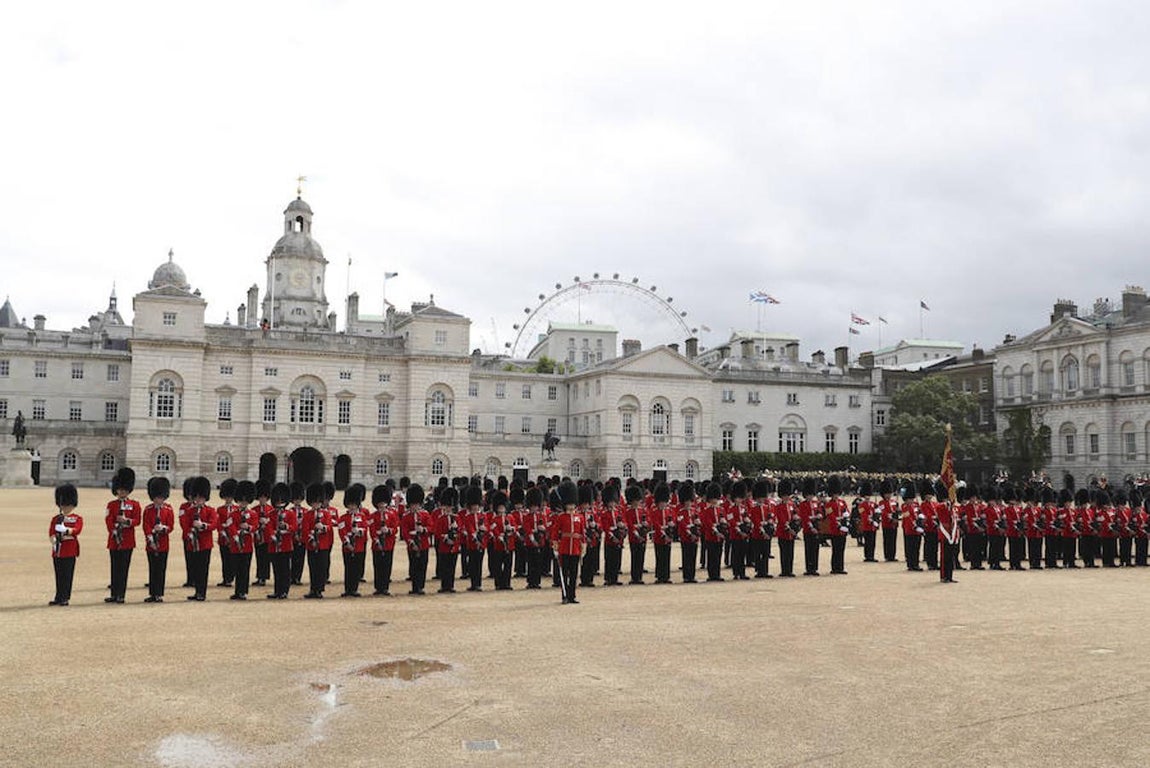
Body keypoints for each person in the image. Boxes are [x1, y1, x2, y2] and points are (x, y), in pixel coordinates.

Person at [105, 467, 141, 603]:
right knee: (114, 567)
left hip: (127, 540)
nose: (122, 492)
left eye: (125, 490)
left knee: (123, 568)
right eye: (120, 490)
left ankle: (121, 595)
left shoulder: (134, 505)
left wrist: (127, 521)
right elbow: (108, 520)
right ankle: (114, 593)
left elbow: (137, 521)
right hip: (114, 539)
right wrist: (114, 529)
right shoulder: (111, 505)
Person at [179, 476, 216, 601]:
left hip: (205, 544)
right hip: (192, 543)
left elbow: (213, 524)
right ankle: (197, 592)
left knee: (203, 569)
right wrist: (190, 531)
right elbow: (185, 524)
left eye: (201, 497)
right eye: (197, 497)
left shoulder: (210, 510)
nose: (199, 500)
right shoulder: (189, 511)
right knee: (195, 567)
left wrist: (203, 526)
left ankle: (202, 593)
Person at [550, 480, 585, 604]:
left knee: (574, 574)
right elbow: (555, 533)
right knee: (564, 573)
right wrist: (555, 546)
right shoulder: (561, 517)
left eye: (572, 504)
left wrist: (583, 545)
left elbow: (582, 533)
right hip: (564, 547)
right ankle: (564, 595)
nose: (571, 506)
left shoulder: (580, 517)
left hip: (575, 548)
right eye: (569, 504)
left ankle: (572, 596)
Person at [49, 484, 83, 606]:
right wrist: (54, 541)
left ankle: (65, 597)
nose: (65, 507)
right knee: (59, 575)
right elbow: (51, 532)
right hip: (58, 551)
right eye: (63, 505)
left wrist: (66, 530)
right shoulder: (56, 519)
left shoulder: (77, 518)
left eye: (68, 505)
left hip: (70, 550)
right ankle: (59, 596)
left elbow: (77, 530)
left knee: (67, 575)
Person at [142, 476, 174, 602]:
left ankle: (159, 593)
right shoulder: (148, 509)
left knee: (161, 568)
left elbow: (171, 526)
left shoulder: (168, 509)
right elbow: (146, 525)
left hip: (163, 543)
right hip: (151, 544)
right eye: (156, 498)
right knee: (152, 568)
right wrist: (150, 537)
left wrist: (163, 528)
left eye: (161, 498)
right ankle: (152, 593)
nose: (158, 500)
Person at [225, 480, 258, 600]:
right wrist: (236, 535)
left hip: (247, 545)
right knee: (237, 568)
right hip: (235, 544)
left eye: (245, 501)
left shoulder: (253, 513)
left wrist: (248, 528)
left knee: (245, 569)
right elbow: (230, 525)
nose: (243, 503)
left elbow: (255, 527)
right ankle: (237, 591)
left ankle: (243, 591)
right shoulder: (233, 513)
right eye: (241, 500)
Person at [266, 482, 298, 599]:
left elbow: (294, 527)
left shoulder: (290, 514)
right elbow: (269, 528)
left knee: (285, 570)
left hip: (285, 545)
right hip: (274, 545)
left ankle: (284, 591)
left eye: (281, 500)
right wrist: (273, 535)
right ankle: (277, 591)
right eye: (277, 500)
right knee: (276, 570)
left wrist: (285, 527)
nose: (279, 502)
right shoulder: (271, 514)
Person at [302, 482, 334, 598]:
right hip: (312, 545)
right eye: (314, 502)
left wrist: (323, 528)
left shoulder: (326, 514)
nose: (315, 504)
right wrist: (312, 537)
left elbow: (329, 527)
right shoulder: (307, 515)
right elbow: (305, 530)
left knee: (321, 567)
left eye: (317, 502)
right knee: (313, 567)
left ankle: (319, 589)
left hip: (323, 545)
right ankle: (313, 589)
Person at [337, 484, 368, 597]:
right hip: (347, 547)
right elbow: (341, 531)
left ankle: (354, 588)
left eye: (354, 505)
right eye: (350, 505)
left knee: (356, 568)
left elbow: (365, 529)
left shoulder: (362, 516)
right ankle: (348, 589)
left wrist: (358, 531)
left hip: (358, 546)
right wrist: (347, 543)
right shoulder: (343, 518)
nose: (352, 507)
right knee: (348, 568)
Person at [401, 484, 433, 595]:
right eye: (413, 505)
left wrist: (423, 529)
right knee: (414, 566)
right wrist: (410, 542)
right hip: (412, 545)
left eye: (416, 504)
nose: (414, 507)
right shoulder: (406, 516)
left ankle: (420, 586)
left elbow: (430, 527)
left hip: (423, 544)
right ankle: (415, 586)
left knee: (422, 565)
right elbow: (404, 532)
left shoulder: (425, 515)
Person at [368, 484, 398, 596]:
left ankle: (385, 587)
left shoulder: (392, 515)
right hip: (377, 545)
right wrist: (377, 538)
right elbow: (371, 530)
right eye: (379, 504)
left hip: (389, 544)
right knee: (377, 566)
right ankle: (378, 587)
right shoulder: (372, 516)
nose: (381, 506)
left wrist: (388, 531)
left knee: (387, 566)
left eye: (383, 504)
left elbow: (395, 529)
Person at [434, 487, 462, 593]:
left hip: (453, 546)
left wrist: (455, 536)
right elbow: (437, 533)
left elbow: (460, 531)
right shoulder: (441, 518)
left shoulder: (457, 518)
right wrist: (445, 538)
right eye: (447, 506)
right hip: (444, 546)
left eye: (450, 506)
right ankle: (444, 586)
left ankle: (450, 585)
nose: (448, 509)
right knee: (444, 566)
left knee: (452, 567)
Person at [489, 490, 517, 590]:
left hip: (509, 544)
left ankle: (507, 583)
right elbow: (493, 529)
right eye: (500, 507)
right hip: (499, 544)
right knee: (498, 565)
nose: (501, 509)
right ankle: (499, 583)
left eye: (503, 507)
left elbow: (515, 527)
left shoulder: (510, 517)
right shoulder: (495, 519)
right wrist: (499, 536)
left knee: (508, 565)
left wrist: (511, 529)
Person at [649, 483, 676, 584]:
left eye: (664, 502)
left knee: (667, 556)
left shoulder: (669, 510)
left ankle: (666, 576)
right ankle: (660, 576)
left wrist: (671, 528)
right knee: (659, 556)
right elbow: (656, 525)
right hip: (659, 538)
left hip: (668, 536)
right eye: (661, 502)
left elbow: (673, 521)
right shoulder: (654, 510)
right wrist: (664, 535)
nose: (663, 504)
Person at [600, 484, 626, 586]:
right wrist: (612, 536)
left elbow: (624, 521)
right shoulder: (604, 513)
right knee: (609, 559)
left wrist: (622, 526)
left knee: (617, 559)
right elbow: (605, 528)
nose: (612, 504)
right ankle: (608, 578)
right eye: (610, 502)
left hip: (619, 539)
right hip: (610, 540)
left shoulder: (618, 511)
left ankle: (615, 578)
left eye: (613, 502)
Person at [675, 482, 701, 583]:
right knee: (686, 557)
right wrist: (690, 534)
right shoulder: (680, 512)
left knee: (693, 556)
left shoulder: (694, 511)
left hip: (694, 537)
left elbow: (698, 523)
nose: (688, 503)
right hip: (686, 537)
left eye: (690, 501)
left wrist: (697, 528)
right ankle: (686, 576)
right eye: (686, 501)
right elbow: (682, 525)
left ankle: (692, 576)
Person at [624, 484, 649, 584]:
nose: (636, 503)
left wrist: (646, 524)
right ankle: (634, 577)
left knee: (641, 557)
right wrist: (636, 530)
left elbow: (649, 521)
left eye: (637, 501)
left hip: (643, 537)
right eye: (635, 501)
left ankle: (639, 577)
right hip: (634, 538)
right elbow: (629, 524)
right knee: (634, 557)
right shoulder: (628, 511)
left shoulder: (642, 510)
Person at [824, 476, 850, 575]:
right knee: (836, 549)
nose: (836, 495)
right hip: (834, 529)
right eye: (834, 494)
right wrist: (838, 525)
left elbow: (847, 511)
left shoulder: (842, 502)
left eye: (837, 493)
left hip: (843, 528)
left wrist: (846, 518)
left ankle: (840, 567)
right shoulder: (828, 504)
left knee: (841, 548)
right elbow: (831, 516)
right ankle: (835, 567)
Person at [798, 478, 823, 576]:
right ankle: (809, 568)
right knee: (808, 549)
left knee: (815, 549)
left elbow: (820, 512)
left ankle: (814, 568)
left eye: (811, 494)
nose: (810, 496)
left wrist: (819, 516)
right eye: (808, 495)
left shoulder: (816, 503)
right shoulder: (803, 504)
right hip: (808, 530)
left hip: (817, 528)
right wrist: (811, 526)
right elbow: (804, 517)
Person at [215, 478, 237, 588]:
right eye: (227, 497)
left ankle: (231, 577)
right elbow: (218, 523)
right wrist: (223, 532)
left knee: (233, 559)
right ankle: (226, 578)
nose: (228, 499)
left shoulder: (236, 509)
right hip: (223, 537)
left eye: (230, 497)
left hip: (234, 538)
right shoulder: (220, 509)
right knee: (225, 559)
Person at [775, 478, 799, 578]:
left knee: (790, 552)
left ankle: (790, 570)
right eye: (784, 496)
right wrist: (789, 528)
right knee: (784, 552)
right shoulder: (778, 506)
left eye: (787, 495)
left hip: (791, 533)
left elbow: (796, 515)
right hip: (783, 532)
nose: (786, 497)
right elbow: (781, 519)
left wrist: (796, 526)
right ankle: (784, 570)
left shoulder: (792, 505)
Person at [578, 483, 601, 588]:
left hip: (592, 539)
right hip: (583, 540)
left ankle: (590, 579)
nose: (586, 506)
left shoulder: (593, 513)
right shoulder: (578, 513)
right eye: (584, 504)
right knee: (584, 561)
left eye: (588, 504)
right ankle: (584, 579)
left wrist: (595, 525)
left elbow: (599, 524)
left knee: (591, 560)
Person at [289, 482, 308, 586]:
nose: (297, 501)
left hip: (302, 537)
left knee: (300, 559)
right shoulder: (290, 511)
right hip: (292, 538)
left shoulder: (305, 511)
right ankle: (291, 577)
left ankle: (297, 577)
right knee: (292, 558)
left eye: (299, 499)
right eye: (295, 499)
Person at [901, 482, 924, 572]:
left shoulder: (916, 505)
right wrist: (915, 527)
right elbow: (908, 518)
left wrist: (921, 521)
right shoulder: (904, 507)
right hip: (910, 530)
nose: (911, 500)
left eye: (912, 499)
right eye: (909, 499)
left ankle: (916, 563)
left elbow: (919, 515)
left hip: (917, 530)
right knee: (910, 548)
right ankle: (911, 564)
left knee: (916, 548)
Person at [878, 479, 901, 562]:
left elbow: (897, 511)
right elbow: (883, 512)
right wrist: (890, 517)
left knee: (893, 540)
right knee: (887, 540)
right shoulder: (881, 503)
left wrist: (898, 511)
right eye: (887, 494)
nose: (888, 495)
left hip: (894, 524)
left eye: (890, 493)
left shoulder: (894, 502)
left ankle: (892, 555)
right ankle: (887, 555)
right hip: (886, 524)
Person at [856, 481, 879, 563]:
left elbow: (876, 513)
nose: (868, 497)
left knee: (872, 542)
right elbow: (863, 515)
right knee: (868, 542)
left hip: (873, 526)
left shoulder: (872, 504)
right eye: (866, 495)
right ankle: (867, 556)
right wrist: (871, 521)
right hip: (867, 525)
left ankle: (871, 555)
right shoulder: (861, 505)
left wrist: (876, 518)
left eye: (869, 495)